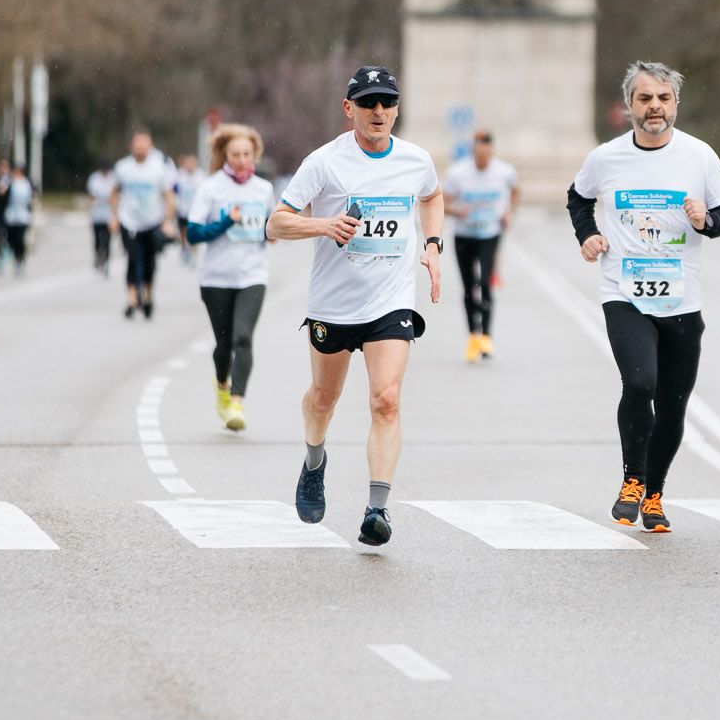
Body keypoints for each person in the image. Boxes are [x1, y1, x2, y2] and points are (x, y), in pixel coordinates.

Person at [269, 66, 443, 548]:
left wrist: (433, 244)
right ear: (349, 109)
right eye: (367, 103)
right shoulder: (325, 162)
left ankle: (377, 509)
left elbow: (432, 195)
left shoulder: (416, 160)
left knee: (386, 399)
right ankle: (314, 461)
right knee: (324, 398)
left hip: (390, 301)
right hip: (334, 305)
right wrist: (323, 225)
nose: (378, 111)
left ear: (397, 109)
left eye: (387, 102)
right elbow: (276, 223)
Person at [567, 61, 720, 535]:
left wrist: (706, 220)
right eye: (645, 98)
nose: (655, 107)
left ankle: (655, 493)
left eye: (664, 98)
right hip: (624, 294)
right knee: (640, 383)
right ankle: (632, 480)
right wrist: (588, 234)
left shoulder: (699, 156)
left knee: (673, 404)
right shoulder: (606, 158)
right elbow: (578, 198)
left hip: (682, 302)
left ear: (676, 104)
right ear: (630, 105)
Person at [187, 124, 275, 432]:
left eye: (247, 154)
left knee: (243, 337)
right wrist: (226, 221)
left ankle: (237, 402)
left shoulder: (263, 189)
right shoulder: (210, 188)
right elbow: (193, 233)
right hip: (216, 279)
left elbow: (269, 225)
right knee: (224, 344)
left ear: (255, 155)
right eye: (235, 154)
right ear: (224, 155)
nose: (241, 160)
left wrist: (271, 232)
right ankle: (222, 385)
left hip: (253, 275)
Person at [443, 129, 519, 363]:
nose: (482, 160)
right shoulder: (458, 173)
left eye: (485, 156)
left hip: (489, 234)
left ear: (491, 152)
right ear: (473, 153)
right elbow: (442, 203)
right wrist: (457, 211)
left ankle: (486, 336)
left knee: (485, 283)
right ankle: (472, 337)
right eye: (478, 156)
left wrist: (508, 212)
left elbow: (515, 191)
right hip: (464, 236)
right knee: (468, 287)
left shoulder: (504, 171)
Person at [110, 132, 177, 319]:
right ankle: (132, 299)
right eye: (137, 146)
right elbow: (114, 192)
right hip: (129, 222)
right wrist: (114, 217)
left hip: (152, 222)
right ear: (131, 147)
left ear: (150, 147)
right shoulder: (123, 167)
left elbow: (168, 196)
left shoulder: (159, 168)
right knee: (133, 259)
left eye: (143, 146)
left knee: (149, 262)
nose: (140, 149)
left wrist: (167, 221)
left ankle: (147, 296)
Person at [173, 154, 205, 270]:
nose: (190, 166)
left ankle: (193, 252)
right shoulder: (179, 175)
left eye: (192, 163)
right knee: (183, 232)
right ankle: (185, 248)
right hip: (182, 210)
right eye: (188, 164)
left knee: (194, 233)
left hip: (196, 211)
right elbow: (174, 191)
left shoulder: (201, 176)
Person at [2, 164, 35, 276]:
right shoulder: (10, 183)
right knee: (11, 240)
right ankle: (15, 258)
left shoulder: (27, 184)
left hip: (23, 217)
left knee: (20, 240)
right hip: (11, 216)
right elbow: (3, 196)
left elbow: (33, 197)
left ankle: (20, 260)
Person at [85, 165, 116, 275]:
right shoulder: (95, 178)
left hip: (109, 216)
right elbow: (90, 194)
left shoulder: (113, 178)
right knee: (97, 239)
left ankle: (106, 261)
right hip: (97, 215)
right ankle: (98, 257)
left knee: (107, 241)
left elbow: (115, 195)